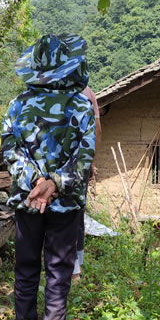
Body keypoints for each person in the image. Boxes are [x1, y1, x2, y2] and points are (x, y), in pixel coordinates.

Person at [1, 34, 96, 320]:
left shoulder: (17, 105)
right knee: (58, 272)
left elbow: (10, 150)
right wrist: (54, 184)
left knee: (26, 267)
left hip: (27, 202)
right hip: (66, 205)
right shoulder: (80, 105)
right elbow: (84, 158)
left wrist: (34, 183)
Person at [72, 86, 102, 282]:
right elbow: (97, 130)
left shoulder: (46, 84)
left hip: (51, 166)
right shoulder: (87, 92)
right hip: (79, 164)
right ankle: (77, 268)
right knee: (77, 212)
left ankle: (71, 269)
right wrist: (91, 162)